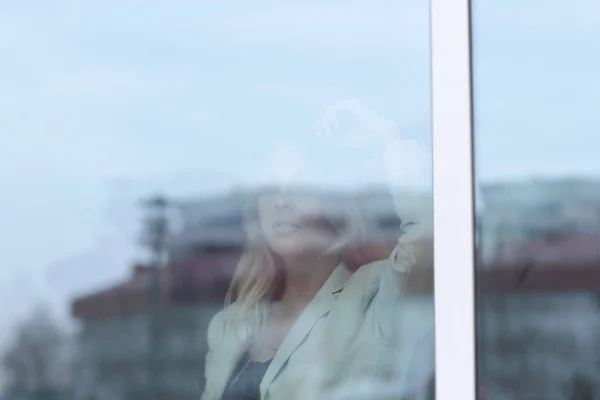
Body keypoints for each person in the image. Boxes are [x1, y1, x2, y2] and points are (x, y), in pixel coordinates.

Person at [200, 177, 434, 400]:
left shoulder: (376, 293)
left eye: (300, 188)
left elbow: (432, 232)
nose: (282, 201)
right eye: (270, 189)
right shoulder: (229, 326)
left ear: (334, 204)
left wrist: (388, 138)